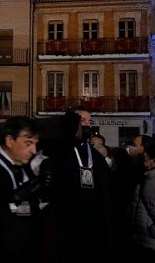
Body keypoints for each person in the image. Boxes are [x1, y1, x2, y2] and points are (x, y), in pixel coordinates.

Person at [0, 116, 52, 263]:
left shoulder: (26, 168)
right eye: (28, 143)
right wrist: (16, 196)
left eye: (35, 144)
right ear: (10, 141)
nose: (34, 150)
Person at [48, 108, 114, 263]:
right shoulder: (58, 151)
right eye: (82, 121)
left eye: (89, 121)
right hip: (66, 223)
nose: (87, 125)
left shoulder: (94, 154)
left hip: (92, 223)